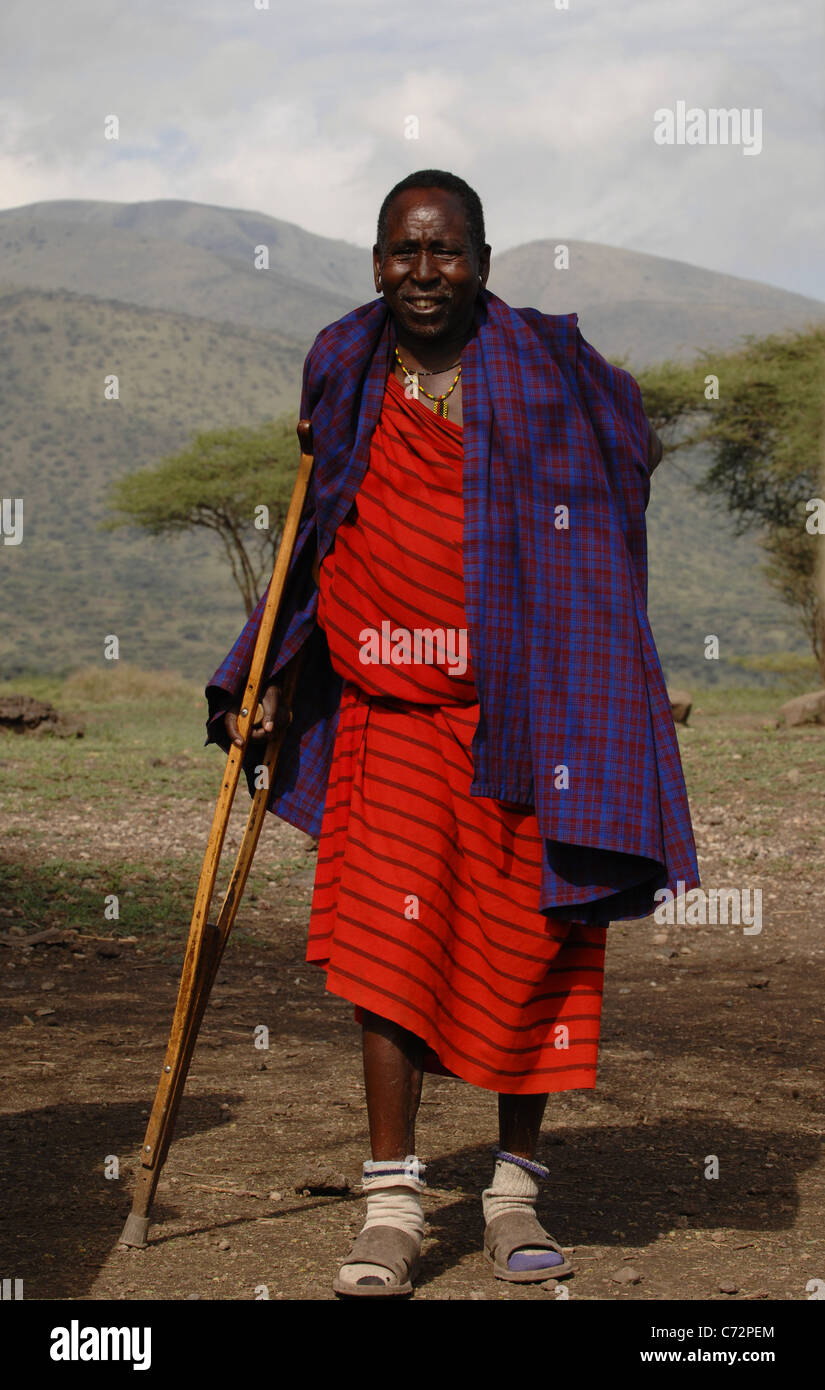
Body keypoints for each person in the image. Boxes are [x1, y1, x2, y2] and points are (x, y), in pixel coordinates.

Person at [204, 169, 699, 1298]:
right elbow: (321, 527)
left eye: (446, 252)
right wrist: (270, 667)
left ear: (484, 257)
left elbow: (635, 446)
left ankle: (513, 1191)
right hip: (391, 719)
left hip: (526, 719)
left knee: (533, 946)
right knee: (391, 957)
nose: (423, 274)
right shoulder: (345, 362)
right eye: (401, 252)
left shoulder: (552, 370)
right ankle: (390, 1203)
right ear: (375, 258)